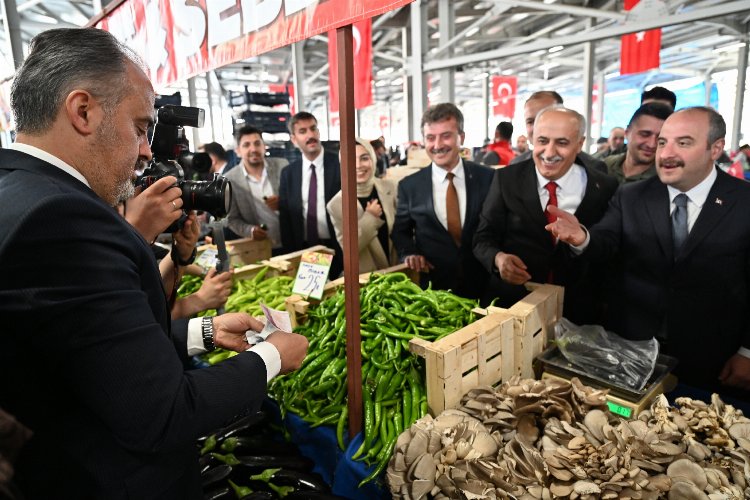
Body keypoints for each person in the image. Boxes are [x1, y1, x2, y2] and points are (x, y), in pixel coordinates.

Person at [0, 28, 309, 499]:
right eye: (141, 127)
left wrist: (203, 332)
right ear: (83, 111)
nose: (147, 150)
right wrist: (271, 357)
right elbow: (163, 414)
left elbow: (93, 350)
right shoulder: (62, 217)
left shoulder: (17, 189)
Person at [547, 106, 750, 396]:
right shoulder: (631, 195)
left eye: (684, 142)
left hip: (713, 358)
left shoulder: (744, 203)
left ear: (715, 148)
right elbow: (605, 240)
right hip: (631, 351)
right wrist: (582, 238)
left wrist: (748, 352)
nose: (666, 153)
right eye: (663, 142)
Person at [473, 106, 618, 323]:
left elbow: (611, 247)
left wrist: (583, 239)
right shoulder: (506, 179)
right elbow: (482, 238)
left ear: (580, 144)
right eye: (542, 141)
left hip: (577, 313)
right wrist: (498, 259)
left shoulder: (604, 186)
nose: (549, 153)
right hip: (513, 308)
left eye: (562, 143)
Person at [391, 103, 495, 299]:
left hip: (485, 286)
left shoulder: (488, 178)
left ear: (461, 137)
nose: (437, 145)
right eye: (430, 138)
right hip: (435, 292)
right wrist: (409, 253)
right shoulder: (409, 186)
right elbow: (400, 231)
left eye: (446, 135)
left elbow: (498, 227)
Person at [278, 111, 342, 276]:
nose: (310, 135)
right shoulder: (288, 173)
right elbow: (285, 218)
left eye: (313, 129)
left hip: (336, 246)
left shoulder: (340, 164)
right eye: (303, 131)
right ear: (294, 140)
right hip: (304, 248)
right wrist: (290, 255)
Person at [326, 138, 398, 274]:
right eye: (351, 159)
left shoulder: (390, 188)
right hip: (366, 282)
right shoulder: (336, 204)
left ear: (373, 159)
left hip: (398, 273)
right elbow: (349, 248)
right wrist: (370, 218)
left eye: (364, 158)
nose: (358, 165)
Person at [510, 90, 608, 174]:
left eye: (546, 119)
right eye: (530, 121)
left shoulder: (593, 168)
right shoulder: (514, 166)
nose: (537, 127)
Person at [224, 125, 288, 252]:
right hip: (260, 247)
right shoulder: (230, 179)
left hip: (291, 240)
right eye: (246, 145)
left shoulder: (282, 166)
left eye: (257, 143)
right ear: (238, 151)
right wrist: (250, 230)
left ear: (264, 146)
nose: (253, 149)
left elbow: (299, 199)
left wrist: (283, 202)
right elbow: (231, 219)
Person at [604, 102, 673, 184]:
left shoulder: (665, 180)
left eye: (660, 139)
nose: (652, 144)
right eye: (645, 134)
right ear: (627, 133)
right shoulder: (605, 166)